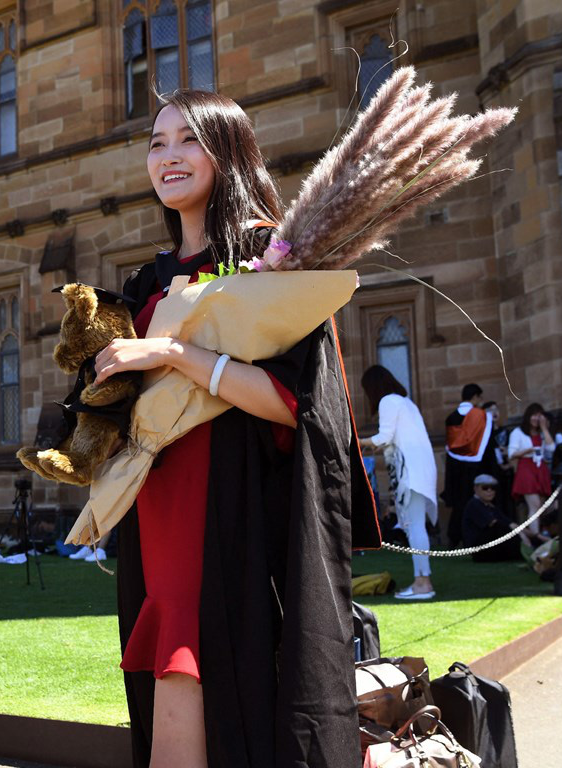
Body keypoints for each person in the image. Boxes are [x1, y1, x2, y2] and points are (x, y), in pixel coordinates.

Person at [90, 91, 379, 768]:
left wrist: (172, 354)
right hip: (158, 507)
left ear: (226, 152)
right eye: (156, 143)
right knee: (170, 658)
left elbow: (295, 405)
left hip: (232, 505)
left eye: (188, 140)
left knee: (208, 660)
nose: (169, 156)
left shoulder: (268, 263)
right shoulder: (144, 284)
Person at [360, 365, 438, 599]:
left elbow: (384, 437)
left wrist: (356, 440)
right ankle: (422, 581)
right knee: (416, 526)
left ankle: (423, 584)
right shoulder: (407, 403)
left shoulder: (388, 401)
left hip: (410, 471)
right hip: (420, 469)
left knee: (415, 527)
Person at [442, 384, 494, 545]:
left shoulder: (451, 417)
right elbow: (487, 446)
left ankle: (453, 537)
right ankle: (471, 538)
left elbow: (452, 445)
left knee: (459, 503)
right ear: (475, 397)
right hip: (475, 466)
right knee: (474, 501)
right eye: (480, 397)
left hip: (455, 466)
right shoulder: (481, 416)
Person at [461, 474, 544, 562]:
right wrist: (521, 536)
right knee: (501, 528)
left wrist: (537, 536)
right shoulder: (474, 504)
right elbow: (496, 524)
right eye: (485, 488)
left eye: (492, 488)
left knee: (514, 530)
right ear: (476, 489)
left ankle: (535, 549)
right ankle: (530, 552)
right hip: (481, 551)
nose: (490, 491)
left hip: (492, 546)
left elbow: (510, 523)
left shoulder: (491, 506)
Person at [508, 403, 555, 526]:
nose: (536, 418)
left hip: (540, 468)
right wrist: (527, 451)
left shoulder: (542, 434)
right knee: (535, 505)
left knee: (542, 505)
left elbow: (551, 448)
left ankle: (536, 532)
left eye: (539, 416)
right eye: (534, 415)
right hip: (526, 468)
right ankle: (535, 537)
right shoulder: (517, 432)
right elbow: (511, 454)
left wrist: (545, 429)